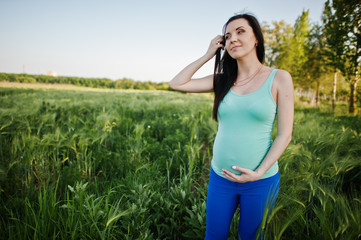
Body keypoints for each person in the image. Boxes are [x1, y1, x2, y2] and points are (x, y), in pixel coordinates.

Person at [169, 13, 294, 240]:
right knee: (213, 236)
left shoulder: (279, 78)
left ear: (256, 38)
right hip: (221, 177)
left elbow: (285, 135)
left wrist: (258, 173)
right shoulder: (223, 79)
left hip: (260, 181)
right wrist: (209, 54)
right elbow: (177, 83)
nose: (232, 39)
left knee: (251, 238)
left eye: (240, 31)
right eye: (227, 36)